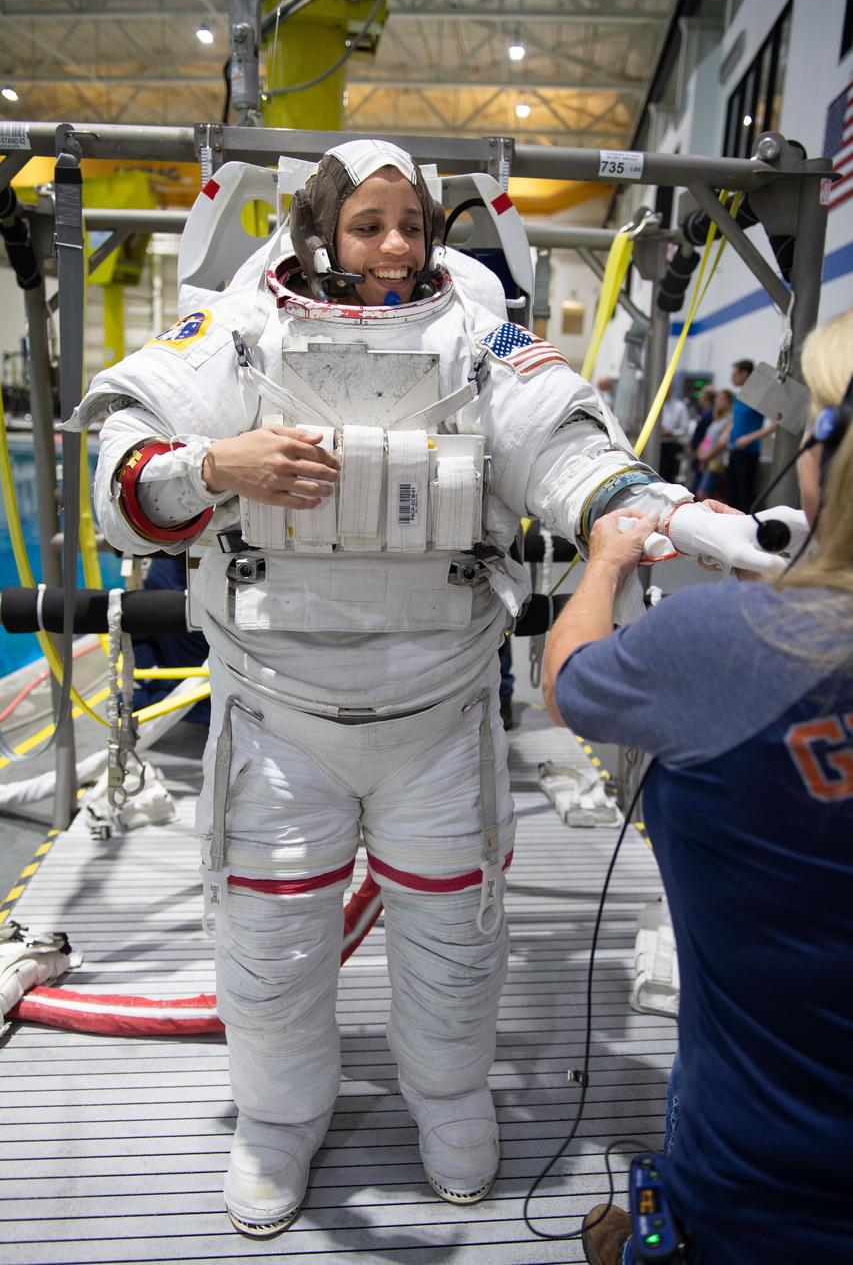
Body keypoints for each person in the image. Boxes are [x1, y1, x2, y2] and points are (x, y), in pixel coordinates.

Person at [68, 139, 798, 1241]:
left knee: (457, 942)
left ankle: (449, 1100)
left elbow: (561, 444)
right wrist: (218, 468)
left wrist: (627, 509)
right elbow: (120, 462)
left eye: (411, 222)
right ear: (319, 231)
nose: (397, 245)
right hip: (280, 713)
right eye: (368, 225)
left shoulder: (474, 327)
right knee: (268, 951)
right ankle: (275, 1119)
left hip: (437, 715)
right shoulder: (240, 327)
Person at [541, 307, 853, 1265]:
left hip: (770, 1177)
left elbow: (568, 683)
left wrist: (605, 561)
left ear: (820, 459)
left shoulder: (723, 644)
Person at [727, 358, 776, 510]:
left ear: (745, 373)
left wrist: (749, 438)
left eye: (735, 373)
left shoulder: (758, 396)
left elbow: (774, 425)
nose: (732, 377)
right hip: (734, 450)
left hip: (748, 453)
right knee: (732, 495)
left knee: (744, 496)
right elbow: (735, 419)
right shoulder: (738, 396)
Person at [693, 387, 732, 501]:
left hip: (716, 460)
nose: (719, 401)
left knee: (703, 493)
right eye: (718, 399)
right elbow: (708, 439)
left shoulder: (730, 419)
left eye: (722, 399)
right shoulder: (717, 419)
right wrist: (702, 453)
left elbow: (722, 442)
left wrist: (707, 455)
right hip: (707, 459)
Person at [686, 385, 715, 492]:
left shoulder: (709, 415)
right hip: (700, 452)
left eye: (701, 396)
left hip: (702, 454)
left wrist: (702, 452)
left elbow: (708, 437)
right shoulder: (706, 413)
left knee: (699, 488)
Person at [658, 392, 691, 483]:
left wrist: (671, 432)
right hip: (655, 445)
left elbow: (685, 428)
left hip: (671, 446)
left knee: (668, 476)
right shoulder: (654, 404)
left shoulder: (679, 406)